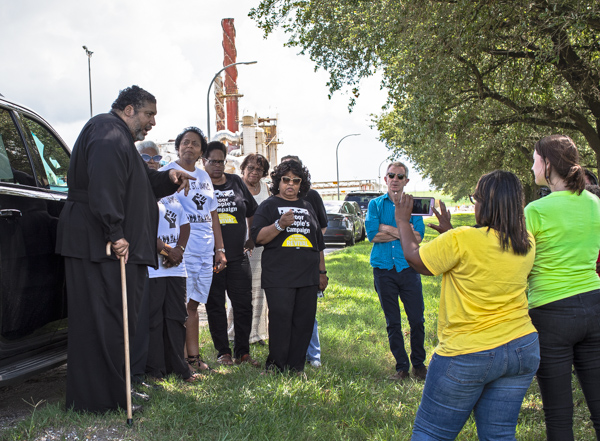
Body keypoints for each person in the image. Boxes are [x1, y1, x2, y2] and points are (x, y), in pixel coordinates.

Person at [56, 85, 195, 413]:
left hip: (107, 246)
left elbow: (137, 184)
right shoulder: (107, 132)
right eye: (149, 114)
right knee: (103, 321)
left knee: (119, 322)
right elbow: (104, 184)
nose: (152, 123)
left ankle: (118, 391)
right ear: (129, 109)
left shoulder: (119, 138)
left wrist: (168, 178)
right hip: (100, 245)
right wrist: (115, 231)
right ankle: (99, 400)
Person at [394, 170, 540, 440]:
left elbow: (416, 260)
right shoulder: (526, 241)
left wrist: (403, 221)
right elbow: (485, 259)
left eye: (476, 198)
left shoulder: (462, 239)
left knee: (431, 433)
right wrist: (449, 233)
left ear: (486, 203)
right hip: (521, 347)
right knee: (499, 433)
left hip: (467, 352)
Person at [525, 134, 600, 440]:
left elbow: (521, 264)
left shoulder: (536, 210)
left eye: (534, 160)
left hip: (551, 313)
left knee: (558, 414)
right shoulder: (595, 202)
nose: (532, 167)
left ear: (548, 164)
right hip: (595, 305)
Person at [251, 160, 328, 372]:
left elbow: (318, 244)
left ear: (301, 183)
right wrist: (279, 225)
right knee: (281, 320)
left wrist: (322, 272)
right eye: (286, 180)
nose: (291, 184)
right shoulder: (269, 205)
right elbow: (257, 237)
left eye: (296, 180)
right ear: (278, 181)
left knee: (303, 323)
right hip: (279, 277)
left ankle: (296, 367)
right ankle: (276, 366)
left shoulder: (308, 206)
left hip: (308, 277)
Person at [161, 127, 226, 372]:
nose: (190, 146)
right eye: (185, 142)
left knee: (194, 306)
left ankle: (193, 358)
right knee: (180, 307)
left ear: (201, 152)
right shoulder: (166, 173)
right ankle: (177, 361)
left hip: (206, 250)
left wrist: (220, 249)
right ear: (178, 146)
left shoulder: (204, 176)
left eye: (195, 144)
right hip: (181, 250)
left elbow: (213, 214)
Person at [365, 162, 427, 381]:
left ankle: (419, 365)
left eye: (400, 176)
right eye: (391, 175)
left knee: (417, 320)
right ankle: (402, 368)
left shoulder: (414, 205)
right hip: (383, 270)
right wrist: (403, 230)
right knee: (393, 322)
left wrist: (386, 227)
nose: (395, 179)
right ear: (385, 179)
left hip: (408, 268)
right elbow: (372, 234)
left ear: (406, 181)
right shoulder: (375, 204)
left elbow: (418, 236)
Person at [204, 141, 259, 366]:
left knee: (243, 304)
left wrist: (251, 237)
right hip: (211, 257)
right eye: (213, 161)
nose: (217, 166)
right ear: (204, 161)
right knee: (215, 304)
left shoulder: (236, 182)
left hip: (238, 256)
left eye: (221, 161)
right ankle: (223, 352)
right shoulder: (201, 184)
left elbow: (253, 211)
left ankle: (242, 352)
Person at [280, 155, 328, 368]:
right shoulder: (277, 197)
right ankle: (288, 355)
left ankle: (313, 355)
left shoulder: (312, 196)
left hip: (308, 265)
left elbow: (321, 229)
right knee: (285, 313)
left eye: (295, 175)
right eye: (286, 175)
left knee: (308, 314)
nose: (290, 181)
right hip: (284, 268)